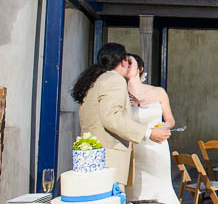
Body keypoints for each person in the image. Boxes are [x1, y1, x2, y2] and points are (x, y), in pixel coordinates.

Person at [125, 54, 199, 204]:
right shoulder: (119, 94)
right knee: (135, 193)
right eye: (124, 62)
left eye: (131, 63)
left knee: (161, 191)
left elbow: (171, 119)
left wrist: (163, 126)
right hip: (134, 150)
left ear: (140, 68)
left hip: (156, 149)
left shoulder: (157, 92)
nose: (126, 65)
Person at [70, 43, 170, 188]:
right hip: (109, 159)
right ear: (123, 62)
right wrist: (148, 133)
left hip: (93, 156)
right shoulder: (114, 80)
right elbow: (112, 118)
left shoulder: (95, 80)